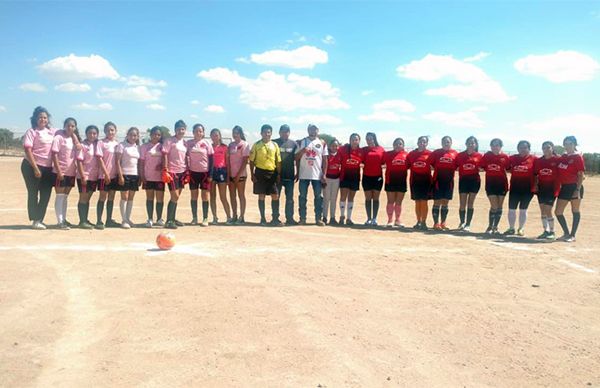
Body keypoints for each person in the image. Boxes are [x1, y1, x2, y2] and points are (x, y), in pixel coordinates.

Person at [21, 106, 57, 229]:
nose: (43, 119)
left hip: (48, 168)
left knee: (46, 194)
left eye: (45, 117)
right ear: (35, 119)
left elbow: (67, 131)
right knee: (33, 193)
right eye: (40, 117)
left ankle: (39, 219)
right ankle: (35, 220)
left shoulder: (52, 131)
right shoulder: (32, 132)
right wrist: (35, 168)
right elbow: (27, 149)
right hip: (31, 166)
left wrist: (76, 141)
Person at [51, 117, 81, 229]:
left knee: (65, 196)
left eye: (72, 126)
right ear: (64, 126)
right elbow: (54, 155)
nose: (70, 127)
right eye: (68, 125)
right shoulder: (59, 137)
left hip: (71, 172)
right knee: (59, 196)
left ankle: (63, 219)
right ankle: (60, 222)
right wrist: (58, 171)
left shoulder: (74, 139)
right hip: (60, 172)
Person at [249, 124, 282, 225]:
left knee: (275, 195)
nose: (267, 134)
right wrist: (252, 174)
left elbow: (278, 161)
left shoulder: (275, 145)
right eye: (265, 132)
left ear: (271, 133)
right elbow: (251, 161)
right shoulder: (256, 145)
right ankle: (262, 218)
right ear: (261, 133)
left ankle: (275, 219)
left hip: (272, 173)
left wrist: (279, 174)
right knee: (261, 195)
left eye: (269, 132)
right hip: (260, 172)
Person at [296, 124, 328, 226]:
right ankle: (302, 218)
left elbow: (325, 159)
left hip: (317, 175)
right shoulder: (302, 141)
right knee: (302, 197)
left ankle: (318, 219)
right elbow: (296, 157)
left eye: (314, 129)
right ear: (308, 130)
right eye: (310, 129)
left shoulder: (322, 142)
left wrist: (324, 174)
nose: (312, 131)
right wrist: (302, 151)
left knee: (318, 197)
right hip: (304, 174)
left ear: (317, 130)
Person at [555, 136, 585, 242]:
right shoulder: (563, 156)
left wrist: (577, 190)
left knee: (575, 210)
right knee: (558, 212)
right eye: (566, 144)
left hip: (575, 186)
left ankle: (572, 235)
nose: (567, 146)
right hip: (564, 187)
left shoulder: (577, 157)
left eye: (570, 144)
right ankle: (566, 233)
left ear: (575, 145)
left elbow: (581, 175)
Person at [504, 140, 537, 236]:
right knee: (511, 209)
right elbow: (506, 166)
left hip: (528, 188)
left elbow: (537, 173)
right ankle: (511, 228)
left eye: (525, 147)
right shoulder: (512, 158)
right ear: (517, 149)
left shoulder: (534, 159)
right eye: (521, 147)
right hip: (515, 187)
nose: (523, 149)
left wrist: (535, 186)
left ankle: (521, 228)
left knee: (523, 209)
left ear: (529, 149)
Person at [162, 120, 188, 229]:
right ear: (175, 130)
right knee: (174, 196)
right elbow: (165, 155)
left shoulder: (184, 142)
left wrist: (187, 171)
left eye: (182, 129)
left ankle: (173, 218)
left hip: (182, 171)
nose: (180, 131)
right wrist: (165, 169)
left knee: (177, 197)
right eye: (178, 129)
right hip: (172, 171)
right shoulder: (169, 141)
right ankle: (168, 221)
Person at [480, 138, 509, 234]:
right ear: (490, 146)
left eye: (497, 145)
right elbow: (481, 166)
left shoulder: (505, 157)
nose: (495, 147)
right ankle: (489, 226)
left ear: (501, 146)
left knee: (500, 206)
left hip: (502, 184)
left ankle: (495, 227)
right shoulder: (487, 156)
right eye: (493, 145)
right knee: (494, 205)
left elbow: (509, 168)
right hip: (490, 184)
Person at [186, 124, 213, 227]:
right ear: (193, 132)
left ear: (203, 133)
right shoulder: (188, 143)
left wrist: (210, 174)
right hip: (193, 173)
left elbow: (211, 159)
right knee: (194, 195)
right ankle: (194, 218)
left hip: (205, 173)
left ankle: (205, 218)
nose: (198, 133)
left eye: (200, 131)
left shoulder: (207, 143)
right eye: (196, 131)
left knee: (205, 196)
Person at [429, 136, 458, 231]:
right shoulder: (436, 153)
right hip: (438, 181)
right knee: (437, 202)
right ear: (441, 143)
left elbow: (458, 166)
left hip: (449, 181)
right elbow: (429, 163)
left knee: (445, 203)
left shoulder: (455, 153)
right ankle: (436, 223)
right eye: (444, 142)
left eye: (448, 142)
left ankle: (443, 223)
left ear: (451, 143)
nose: (446, 143)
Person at [95, 122, 120, 229]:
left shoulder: (117, 144)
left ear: (115, 131)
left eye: (112, 130)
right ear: (104, 131)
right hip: (104, 176)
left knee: (111, 198)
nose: (110, 132)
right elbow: (99, 159)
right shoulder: (101, 143)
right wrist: (106, 174)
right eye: (108, 130)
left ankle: (109, 220)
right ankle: (99, 221)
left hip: (114, 176)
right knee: (102, 197)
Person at [533, 141, 560, 240]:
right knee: (542, 211)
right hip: (542, 188)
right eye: (544, 148)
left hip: (552, 188)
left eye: (548, 147)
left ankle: (552, 232)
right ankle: (545, 231)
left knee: (548, 210)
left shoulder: (557, 160)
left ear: (552, 148)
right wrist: (535, 185)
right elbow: (536, 174)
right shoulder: (539, 161)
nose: (546, 149)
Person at [140, 126, 165, 228]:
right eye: (154, 134)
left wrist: (162, 165)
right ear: (150, 135)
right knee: (149, 198)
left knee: (160, 199)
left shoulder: (162, 146)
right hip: (148, 176)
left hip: (159, 177)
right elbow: (141, 162)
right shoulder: (144, 147)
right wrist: (142, 176)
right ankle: (150, 219)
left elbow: (166, 158)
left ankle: (159, 219)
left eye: (158, 135)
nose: (156, 136)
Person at [115, 127, 141, 229]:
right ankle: (124, 220)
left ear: (137, 136)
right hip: (124, 173)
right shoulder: (122, 145)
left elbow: (138, 163)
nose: (132, 137)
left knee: (131, 197)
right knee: (124, 197)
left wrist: (139, 176)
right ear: (127, 135)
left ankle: (128, 219)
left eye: (135, 135)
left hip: (134, 175)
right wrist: (120, 175)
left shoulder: (137, 147)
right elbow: (117, 161)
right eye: (131, 135)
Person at [456, 136, 482, 232]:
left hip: (474, 181)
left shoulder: (479, 156)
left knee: (470, 203)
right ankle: (462, 222)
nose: (471, 144)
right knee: (462, 203)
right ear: (466, 144)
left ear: (475, 145)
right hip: (463, 180)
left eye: (473, 143)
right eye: (469, 143)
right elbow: (455, 166)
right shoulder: (460, 155)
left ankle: (468, 224)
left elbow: (483, 167)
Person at [76, 125, 100, 229]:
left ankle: (85, 219)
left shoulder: (97, 145)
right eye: (90, 133)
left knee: (88, 198)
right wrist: (82, 176)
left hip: (94, 176)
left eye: (94, 133)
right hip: (84, 176)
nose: (92, 135)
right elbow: (79, 161)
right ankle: (82, 221)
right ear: (86, 134)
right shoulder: (82, 145)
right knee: (83, 198)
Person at [274, 124, 298, 225]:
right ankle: (275, 218)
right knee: (276, 197)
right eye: (283, 131)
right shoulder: (274, 143)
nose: (285, 133)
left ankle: (290, 218)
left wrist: (298, 172)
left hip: (289, 175)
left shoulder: (294, 144)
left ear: (289, 132)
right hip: (277, 176)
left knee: (290, 198)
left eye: (287, 131)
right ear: (279, 132)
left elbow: (297, 159)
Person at [407, 136, 432, 230]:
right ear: (417, 142)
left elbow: (436, 165)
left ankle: (424, 222)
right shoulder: (411, 154)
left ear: (427, 143)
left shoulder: (430, 154)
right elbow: (407, 165)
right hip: (415, 180)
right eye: (420, 141)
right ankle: (418, 221)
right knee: (417, 202)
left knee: (424, 202)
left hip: (426, 181)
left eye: (424, 142)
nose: (422, 143)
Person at [383, 137, 409, 227]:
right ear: (393, 145)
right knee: (390, 201)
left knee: (399, 202)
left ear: (403, 146)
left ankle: (397, 220)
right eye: (396, 144)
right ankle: (390, 220)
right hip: (390, 180)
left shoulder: (407, 155)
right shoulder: (387, 154)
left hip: (401, 181)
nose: (398, 145)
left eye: (400, 144)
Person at [361, 132, 385, 226]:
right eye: (367, 139)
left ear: (374, 139)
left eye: (370, 138)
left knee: (375, 198)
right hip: (366, 177)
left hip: (378, 177)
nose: (369, 140)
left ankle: (374, 219)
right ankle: (368, 219)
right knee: (368, 198)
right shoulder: (364, 150)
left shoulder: (381, 149)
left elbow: (385, 162)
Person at [338, 133, 362, 226]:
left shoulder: (361, 151)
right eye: (353, 139)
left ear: (359, 141)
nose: (354, 141)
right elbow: (334, 149)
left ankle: (349, 218)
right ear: (349, 140)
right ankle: (342, 216)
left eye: (356, 139)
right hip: (345, 176)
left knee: (351, 198)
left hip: (355, 177)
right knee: (343, 197)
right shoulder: (344, 149)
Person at [209, 128, 232, 224]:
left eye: (216, 135)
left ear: (220, 136)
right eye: (213, 135)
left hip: (222, 171)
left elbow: (227, 163)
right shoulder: (209, 147)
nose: (215, 137)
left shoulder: (225, 147)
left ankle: (228, 217)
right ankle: (215, 217)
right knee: (212, 196)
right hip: (211, 172)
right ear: (210, 136)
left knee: (223, 196)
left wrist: (228, 176)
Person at [228, 125, 250, 225]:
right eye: (234, 133)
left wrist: (238, 175)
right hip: (231, 175)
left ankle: (241, 216)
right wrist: (229, 174)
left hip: (240, 175)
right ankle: (234, 215)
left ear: (240, 134)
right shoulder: (231, 145)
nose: (235, 135)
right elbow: (228, 160)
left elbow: (245, 161)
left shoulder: (245, 144)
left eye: (237, 133)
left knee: (241, 195)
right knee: (232, 196)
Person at [323, 139, 341, 225]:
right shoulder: (326, 155)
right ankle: (324, 217)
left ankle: (332, 217)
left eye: (336, 146)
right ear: (330, 146)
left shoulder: (340, 155)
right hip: (327, 179)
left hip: (336, 179)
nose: (334, 147)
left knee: (334, 199)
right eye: (333, 145)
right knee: (326, 199)